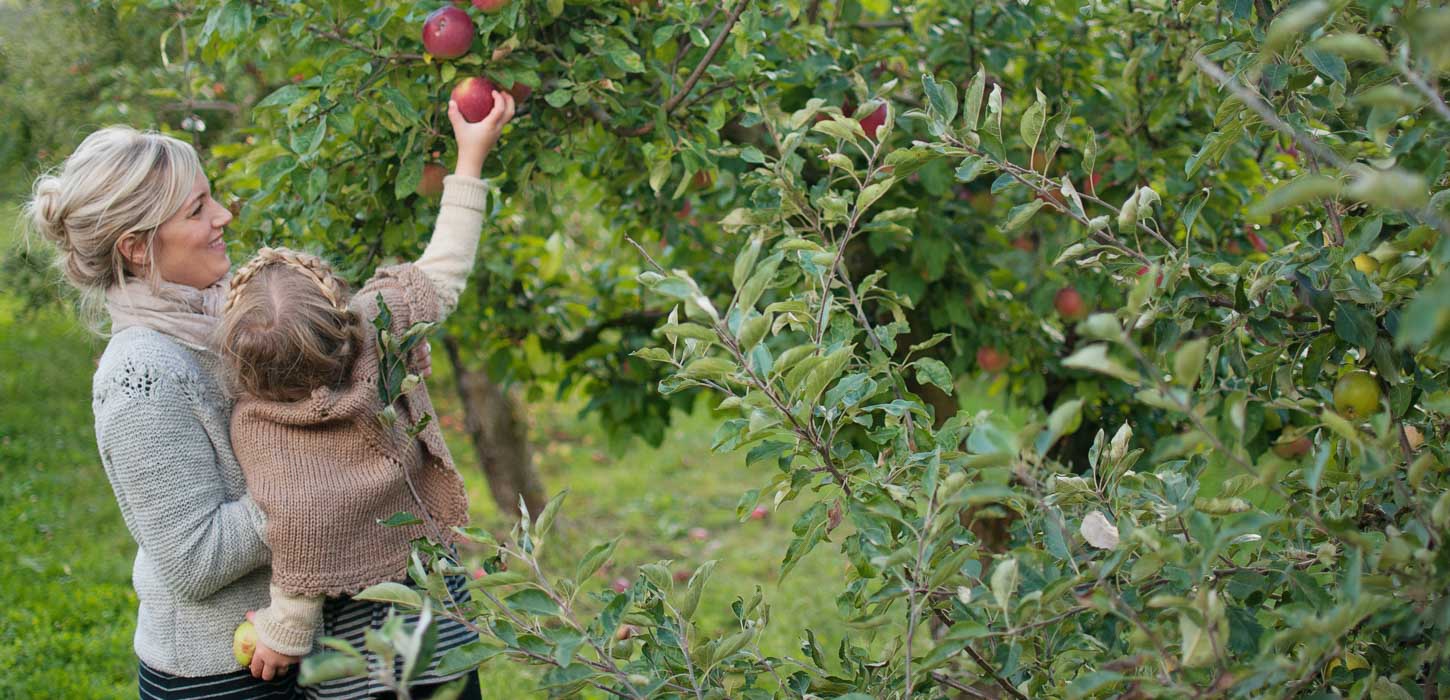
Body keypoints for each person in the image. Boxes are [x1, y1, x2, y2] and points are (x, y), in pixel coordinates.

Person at [218, 91, 513, 700]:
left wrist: (283, 632)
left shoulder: (258, 423)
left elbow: (300, 523)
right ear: (337, 306)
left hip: (357, 656)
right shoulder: (377, 325)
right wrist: (470, 157)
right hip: (436, 613)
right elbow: (447, 265)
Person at [26, 127, 287, 697]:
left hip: (278, 651)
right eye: (197, 209)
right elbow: (196, 560)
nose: (223, 216)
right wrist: (318, 481)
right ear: (137, 247)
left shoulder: (223, 319)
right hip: (217, 673)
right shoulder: (140, 373)